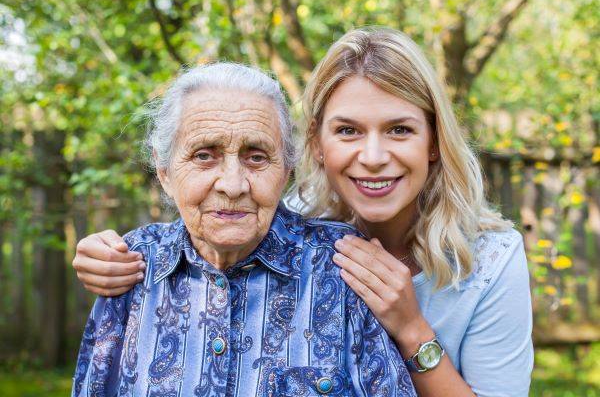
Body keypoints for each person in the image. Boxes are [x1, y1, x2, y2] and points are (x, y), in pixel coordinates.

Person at [73, 28, 534, 396]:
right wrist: (107, 252)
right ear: (315, 142)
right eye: (348, 130)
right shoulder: (264, 218)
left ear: (433, 141)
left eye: (399, 129)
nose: (373, 156)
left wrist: (413, 330)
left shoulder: (490, 259)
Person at [71, 62, 417, 397]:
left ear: (285, 172)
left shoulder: (342, 264)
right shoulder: (132, 265)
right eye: (205, 155)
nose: (233, 185)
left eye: (256, 157)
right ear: (164, 172)